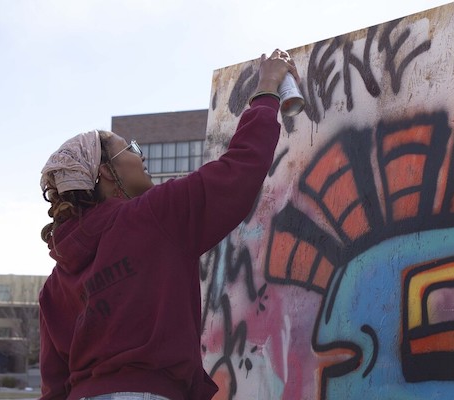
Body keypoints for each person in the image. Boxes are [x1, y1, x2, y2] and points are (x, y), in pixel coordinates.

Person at [38, 49, 299, 400]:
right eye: (128, 148)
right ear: (105, 173)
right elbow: (239, 171)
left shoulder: (55, 287)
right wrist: (266, 89)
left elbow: (53, 387)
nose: (140, 154)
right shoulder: (152, 216)